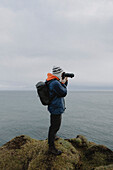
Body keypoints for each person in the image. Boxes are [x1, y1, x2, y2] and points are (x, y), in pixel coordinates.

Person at [46, 66, 68, 155]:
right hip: (56, 108)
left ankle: (53, 138)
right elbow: (64, 92)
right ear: (59, 74)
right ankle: (51, 147)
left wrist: (64, 82)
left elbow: (61, 90)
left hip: (54, 106)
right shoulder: (55, 83)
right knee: (55, 127)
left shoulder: (52, 81)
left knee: (54, 126)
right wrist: (63, 83)